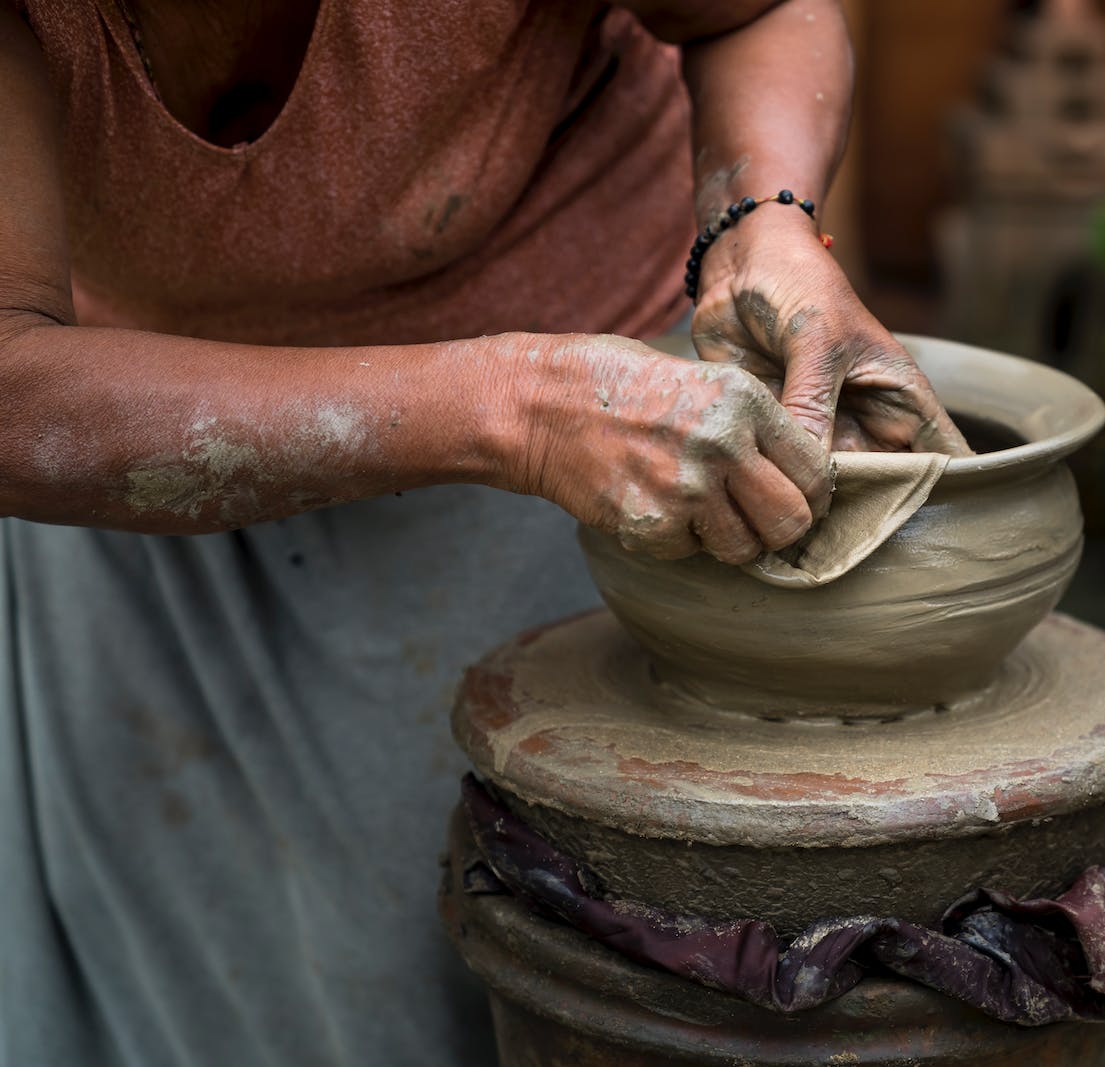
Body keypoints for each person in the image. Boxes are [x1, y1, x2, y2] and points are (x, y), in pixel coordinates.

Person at [0, 1, 967, 1062]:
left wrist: (761, 221)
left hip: (605, 413)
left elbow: (760, 10)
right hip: (135, 428)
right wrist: (517, 405)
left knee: (465, 958)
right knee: (162, 948)